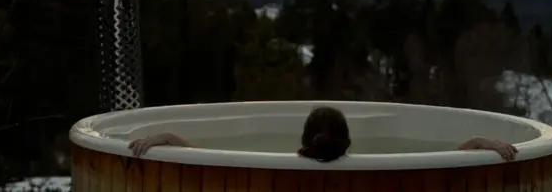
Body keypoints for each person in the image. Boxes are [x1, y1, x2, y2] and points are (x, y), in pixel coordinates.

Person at [128, 106, 518, 162]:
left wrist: (168, 138)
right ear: (349, 141)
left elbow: (205, 162)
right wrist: (479, 144)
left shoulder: (269, 171)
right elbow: (443, 163)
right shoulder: (382, 170)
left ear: (303, 141)